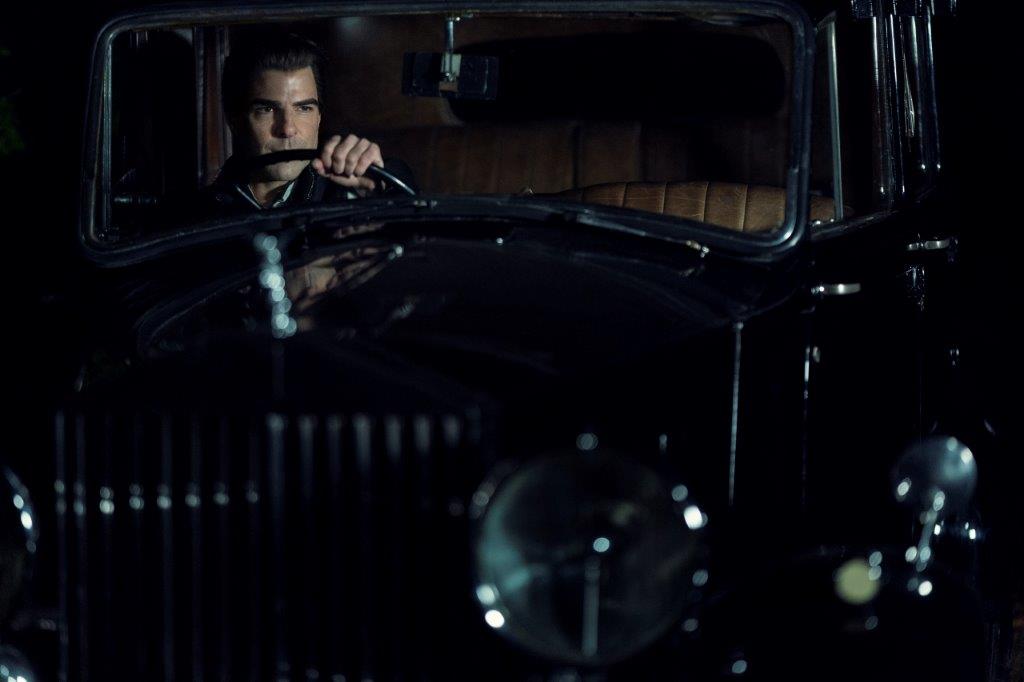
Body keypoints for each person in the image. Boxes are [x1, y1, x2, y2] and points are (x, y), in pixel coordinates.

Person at [191, 32, 415, 217]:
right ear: (234, 119)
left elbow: (409, 207)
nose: (288, 129)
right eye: (267, 109)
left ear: (319, 116)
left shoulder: (345, 192)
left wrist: (380, 188)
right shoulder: (200, 216)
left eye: (304, 108)